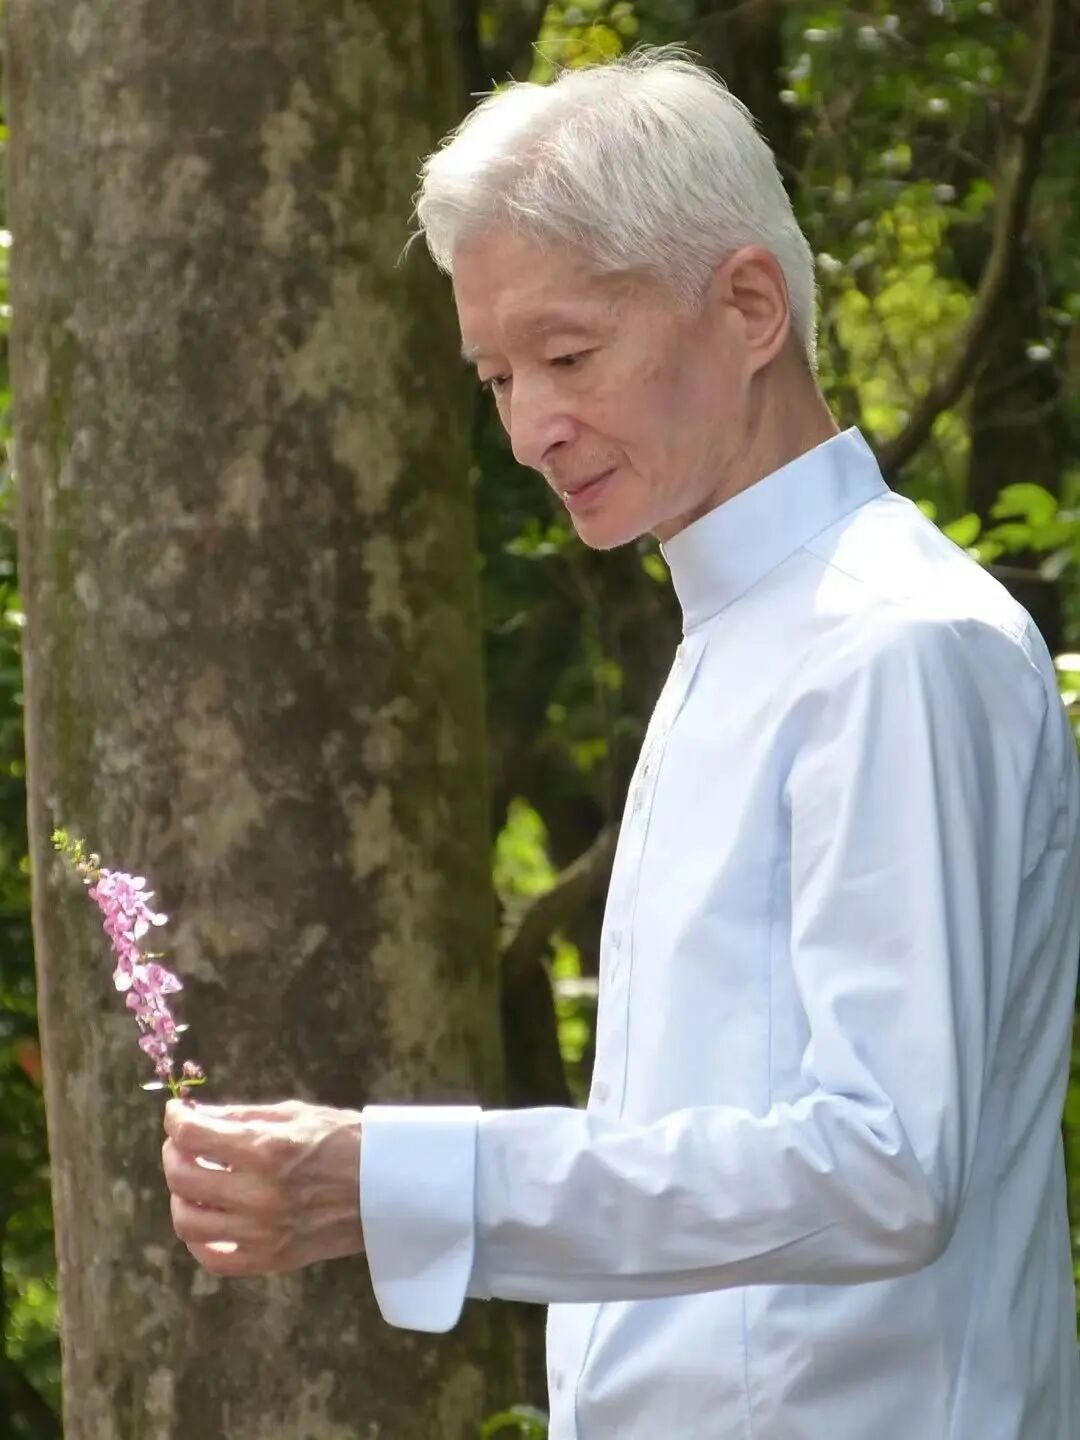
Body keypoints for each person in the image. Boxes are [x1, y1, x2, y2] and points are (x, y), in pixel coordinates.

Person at [162, 49, 1080, 1438]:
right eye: (496, 377)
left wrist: (400, 1181)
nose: (531, 429)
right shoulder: (745, 628)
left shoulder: (892, 641)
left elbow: (886, 1164)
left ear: (750, 306)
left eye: (569, 355)